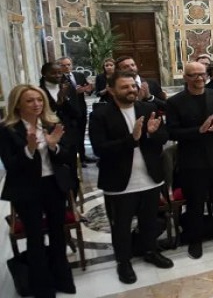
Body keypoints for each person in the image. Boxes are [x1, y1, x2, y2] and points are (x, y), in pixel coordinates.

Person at [89, 71, 174, 284]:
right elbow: (100, 149)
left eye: (133, 86)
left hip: (149, 177)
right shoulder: (100, 114)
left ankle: (150, 251)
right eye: (125, 87)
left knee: (149, 221)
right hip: (119, 182)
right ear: (111, 90)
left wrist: (151, 133)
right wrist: (132, 139)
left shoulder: (147, 108)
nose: (131, 90)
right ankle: (123, 262)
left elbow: (164, 137)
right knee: (121, 226)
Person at [0, 85, 76, 297]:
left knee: (58, 233)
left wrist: (53, 146)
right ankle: (42, 287)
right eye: (30, 101)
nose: (36, 104)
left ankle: (62, 279)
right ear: (17, 105)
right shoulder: (7, 129)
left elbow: (67, 156)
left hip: (53, 184)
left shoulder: (51, 124)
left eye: (39, 100)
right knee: (35, 237)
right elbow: (11, 166)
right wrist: (29, 150)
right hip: (27, 189)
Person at [166, 62, 213, 259]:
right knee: (195, 203)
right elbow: (172, 132)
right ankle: (195, 239)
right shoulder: (175, 102)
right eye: (194, 75)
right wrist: (198, 131)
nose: (199, 78)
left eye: (202, 74)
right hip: (193, 161)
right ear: (186, 77)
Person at [58, 56, 96, 163]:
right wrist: (73, 92)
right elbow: (60, 96)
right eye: (63, 65)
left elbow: (88, 89)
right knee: (72, 135)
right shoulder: (58, 78)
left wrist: (89, 89)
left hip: (81, 109)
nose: (66, 67)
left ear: (72, 65)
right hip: (68, 112)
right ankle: (75, 159)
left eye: (68, 65)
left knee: (81, 133)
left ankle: (83, 156)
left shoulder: (79, 75)